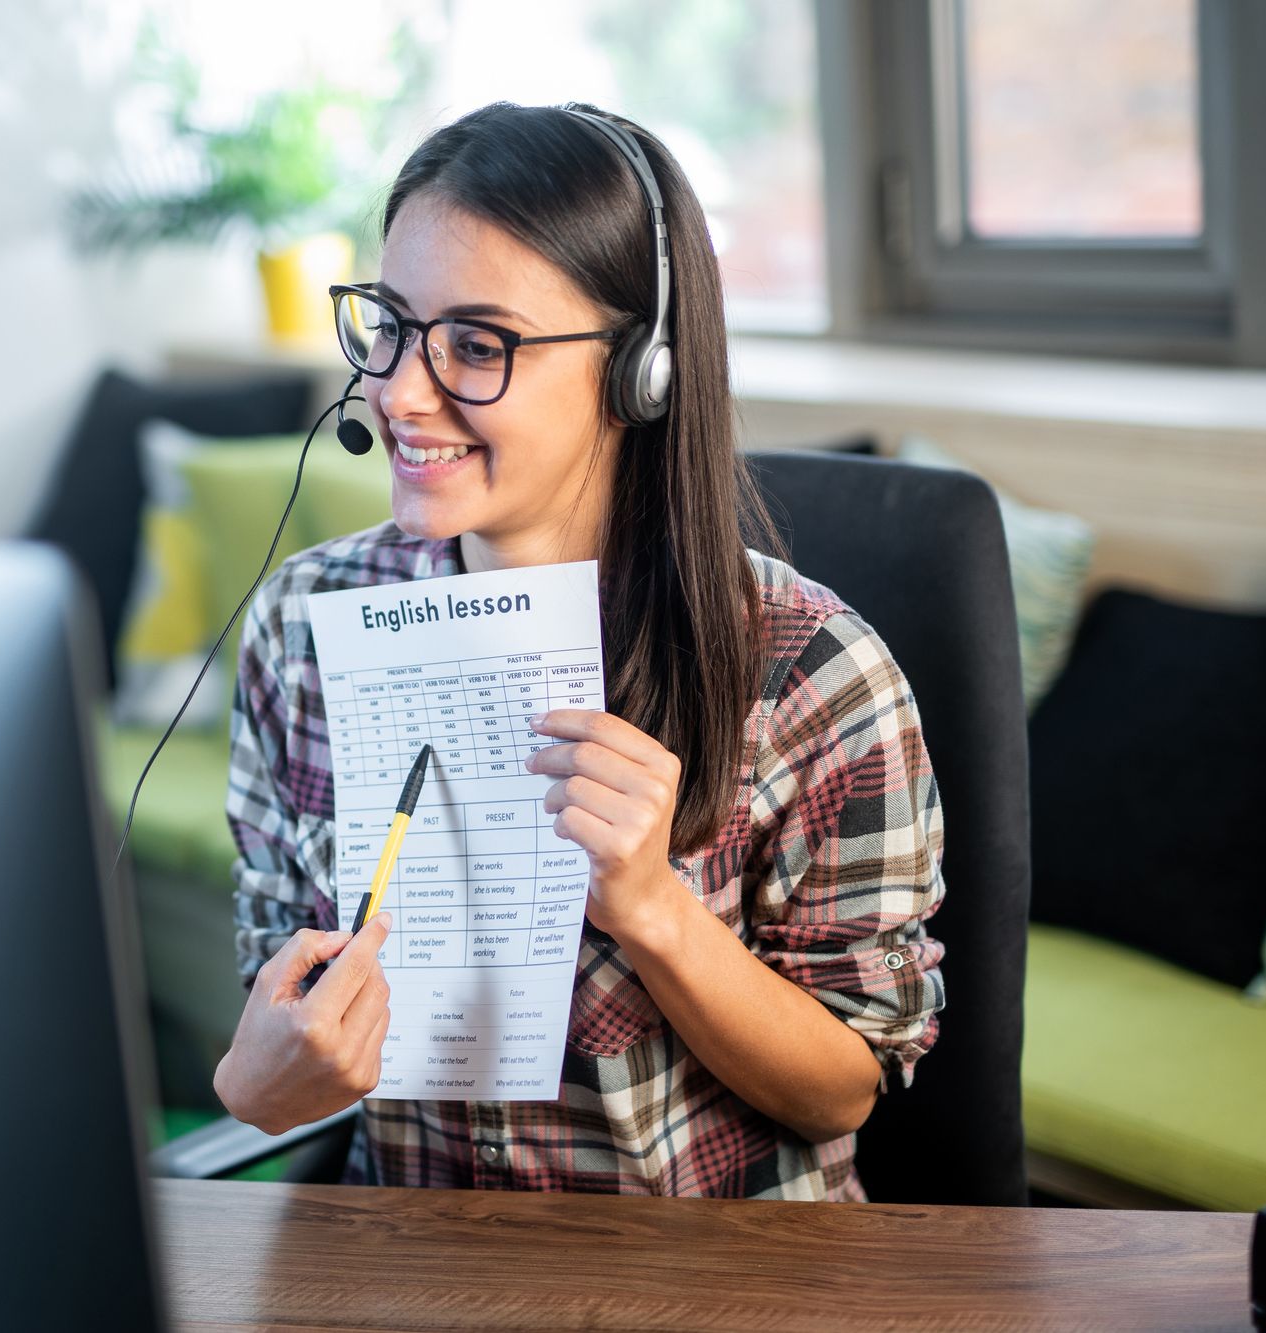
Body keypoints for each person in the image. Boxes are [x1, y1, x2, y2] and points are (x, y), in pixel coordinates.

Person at [212, 101, 945, 1200]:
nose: (399, 393)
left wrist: (653, 907)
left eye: (476, 343)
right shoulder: (300, 626)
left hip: (710, 1278)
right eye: (390, 325)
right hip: (420, 1264)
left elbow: (841, 1087)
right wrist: (257, 1083)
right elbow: (272, 1013)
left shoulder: (811, 672)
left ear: (637, 370)